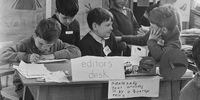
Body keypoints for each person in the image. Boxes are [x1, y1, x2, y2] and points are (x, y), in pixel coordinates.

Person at [0, 18, 81, 100]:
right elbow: (3, 54)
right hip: (25, 86)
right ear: (35, 35)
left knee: (63, 94)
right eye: (41, 43)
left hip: (49, 83)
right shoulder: (25, 43)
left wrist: (53, 55)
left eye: (49, 46)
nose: (44, 48)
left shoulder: (57, 43)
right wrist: (27, 57)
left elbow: (76, 51)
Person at [147, 4, 187, 79]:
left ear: (164, 30)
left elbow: (158, 56)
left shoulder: (175, 44)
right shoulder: (160, 32)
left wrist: (152, 41)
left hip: (165, 78)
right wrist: (122, 38)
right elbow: (142, 39)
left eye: (152, 26)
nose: (150, 28)